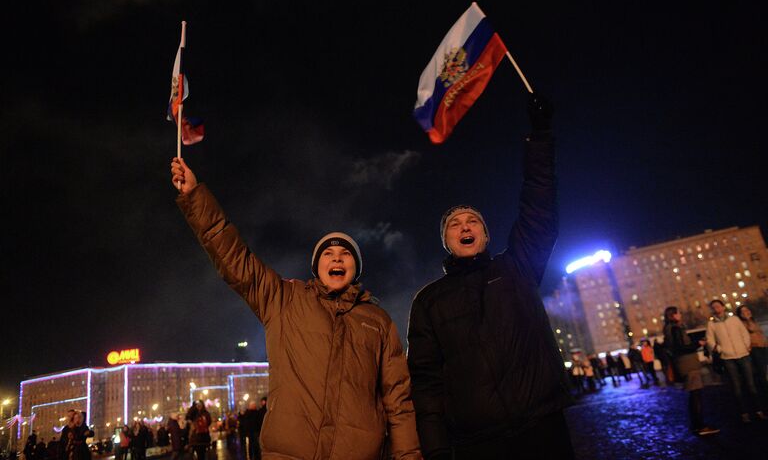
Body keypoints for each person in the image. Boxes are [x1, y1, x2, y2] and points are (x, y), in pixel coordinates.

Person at [170, 159, 421, 460]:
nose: (337, 259)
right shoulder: (285, 299)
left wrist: (408, 456)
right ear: (317, 266)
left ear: (356, 267)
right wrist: (195, 195)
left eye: (345, 254)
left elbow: (398, 399)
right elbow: (234, 257)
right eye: (328, 253)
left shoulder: (377, 321)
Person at [406, 94, 574, 460]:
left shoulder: (517, 267)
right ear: (447, 241)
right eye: (455, 224)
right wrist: (435, 449)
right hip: (478, 444)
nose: (465, 226)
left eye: (473, 222)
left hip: (543, 428)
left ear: (485, 235)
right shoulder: (429, 301)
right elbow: (427, 381)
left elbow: (539, 208)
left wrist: (540, 136)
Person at [706, 299, 766, 423]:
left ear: (723, 307)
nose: (716, 309)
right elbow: (710, 340)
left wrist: (745, 345)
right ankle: (744, 413)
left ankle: (759, 410)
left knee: (751, 384)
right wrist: (719, 349)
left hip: (743, 354)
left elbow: (744, 333)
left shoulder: (734, 319)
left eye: (718, 306)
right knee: (736, 386)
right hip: (728, 358)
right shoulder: (712, 324)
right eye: (714, 307)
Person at [663, 306, 719, 436]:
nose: (680, 314)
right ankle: (699, 426)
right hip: (687, 365)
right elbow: (680, 348)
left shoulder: (669, 329)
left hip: (684, 365)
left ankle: (697, 425)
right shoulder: (675, 328)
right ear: (673, 315)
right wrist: (698, 344)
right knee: (695, 395)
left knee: (694, 395)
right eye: (678, 313)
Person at [736, 304, 768, 406]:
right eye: (743, 311)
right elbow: (751, 330)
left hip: (763, 347)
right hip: (755, 349)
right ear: (740, 314)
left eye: (747, 310)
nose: (747, 312)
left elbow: (761, 334)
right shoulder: (743, 324)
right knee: (762, 372)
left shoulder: (753, 321)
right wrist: (748, 319)